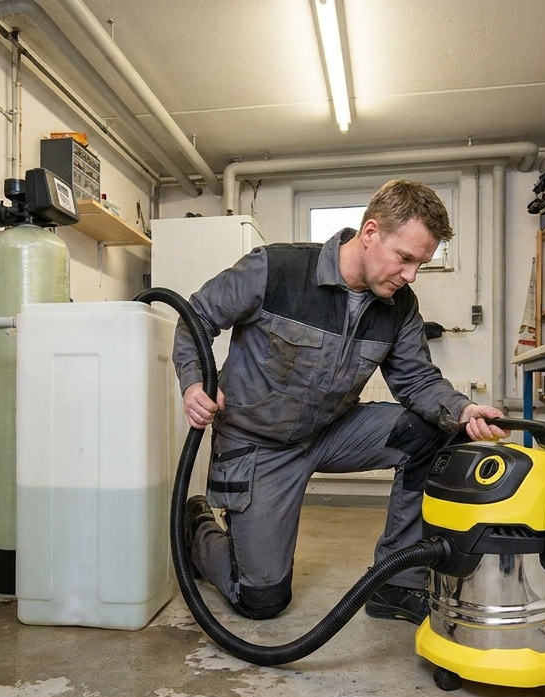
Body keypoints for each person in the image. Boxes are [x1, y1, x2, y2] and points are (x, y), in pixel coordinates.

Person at [172, 179, 508, 625]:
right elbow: (195, 318)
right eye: (405, 258)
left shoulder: (400, 305)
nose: (410, 275)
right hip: (259, 444)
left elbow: (416, 379)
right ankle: (198, 529)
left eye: (420, 264)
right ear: (370, 233)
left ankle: (395, 582)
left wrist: (463, 410)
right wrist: (194, 384)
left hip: (332, 431)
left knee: (432, 432)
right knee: (261, 600)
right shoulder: (276, 269)